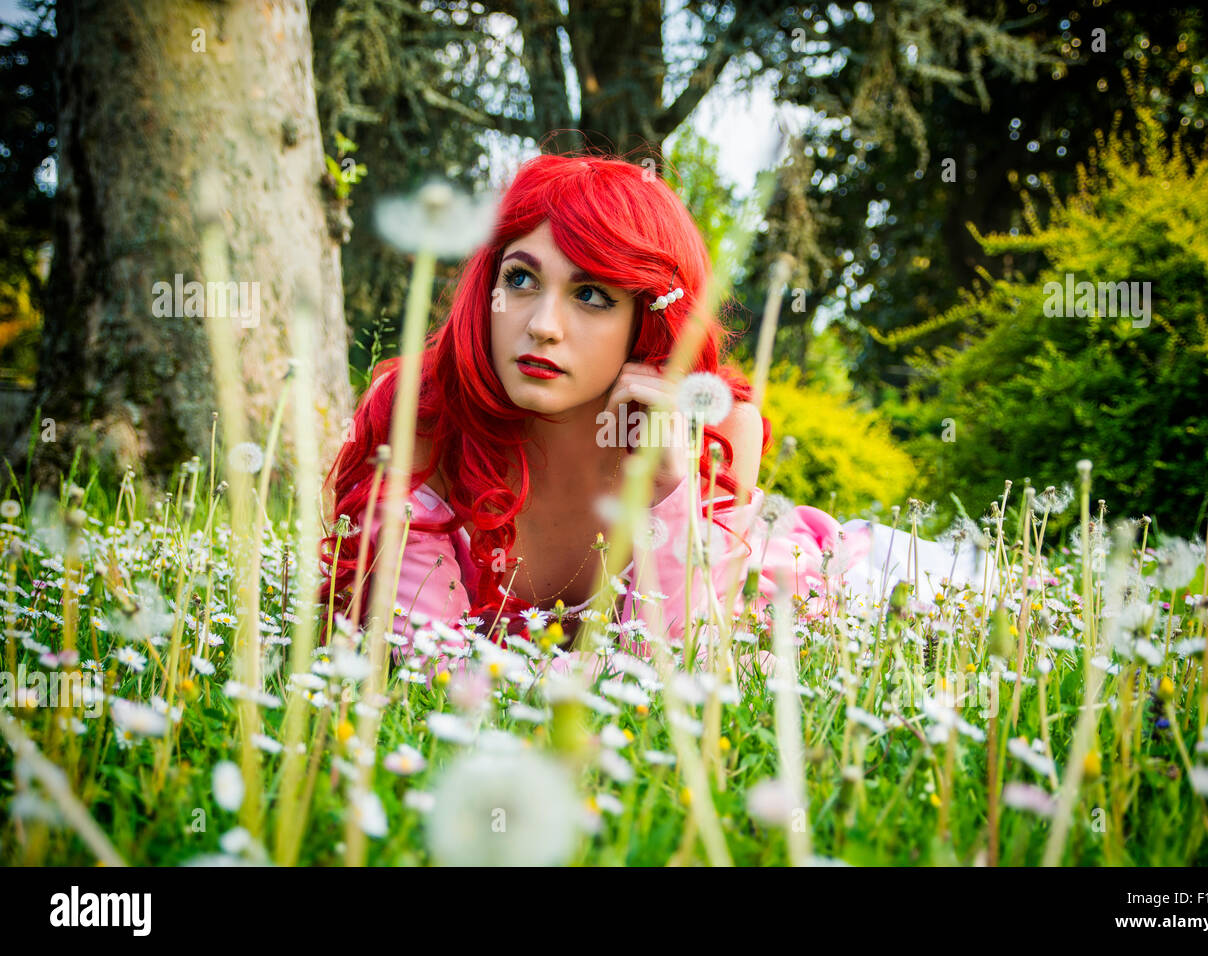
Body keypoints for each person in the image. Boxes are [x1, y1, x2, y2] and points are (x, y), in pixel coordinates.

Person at [319, 152, 985, 681]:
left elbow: (676, 667)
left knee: (981, 605)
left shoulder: (720, 434)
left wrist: (670, 490)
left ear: (649, 319)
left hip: (847, 584)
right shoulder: (423, 415)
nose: (543, 326)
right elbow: (422, 661)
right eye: (520, 279)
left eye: (591, 294)